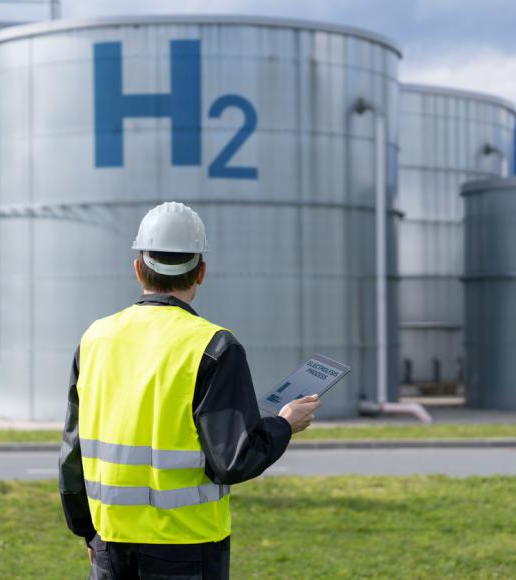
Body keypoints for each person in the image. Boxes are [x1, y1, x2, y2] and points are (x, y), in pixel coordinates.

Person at [58, 201, 321, 579]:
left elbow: (73, 451)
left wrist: (87, 532)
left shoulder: (95, 338)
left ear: (137, 269)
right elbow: (235, 460)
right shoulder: (214, 346)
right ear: (201, 272)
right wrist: (284, 424)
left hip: (109, 543)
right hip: (188, 547)